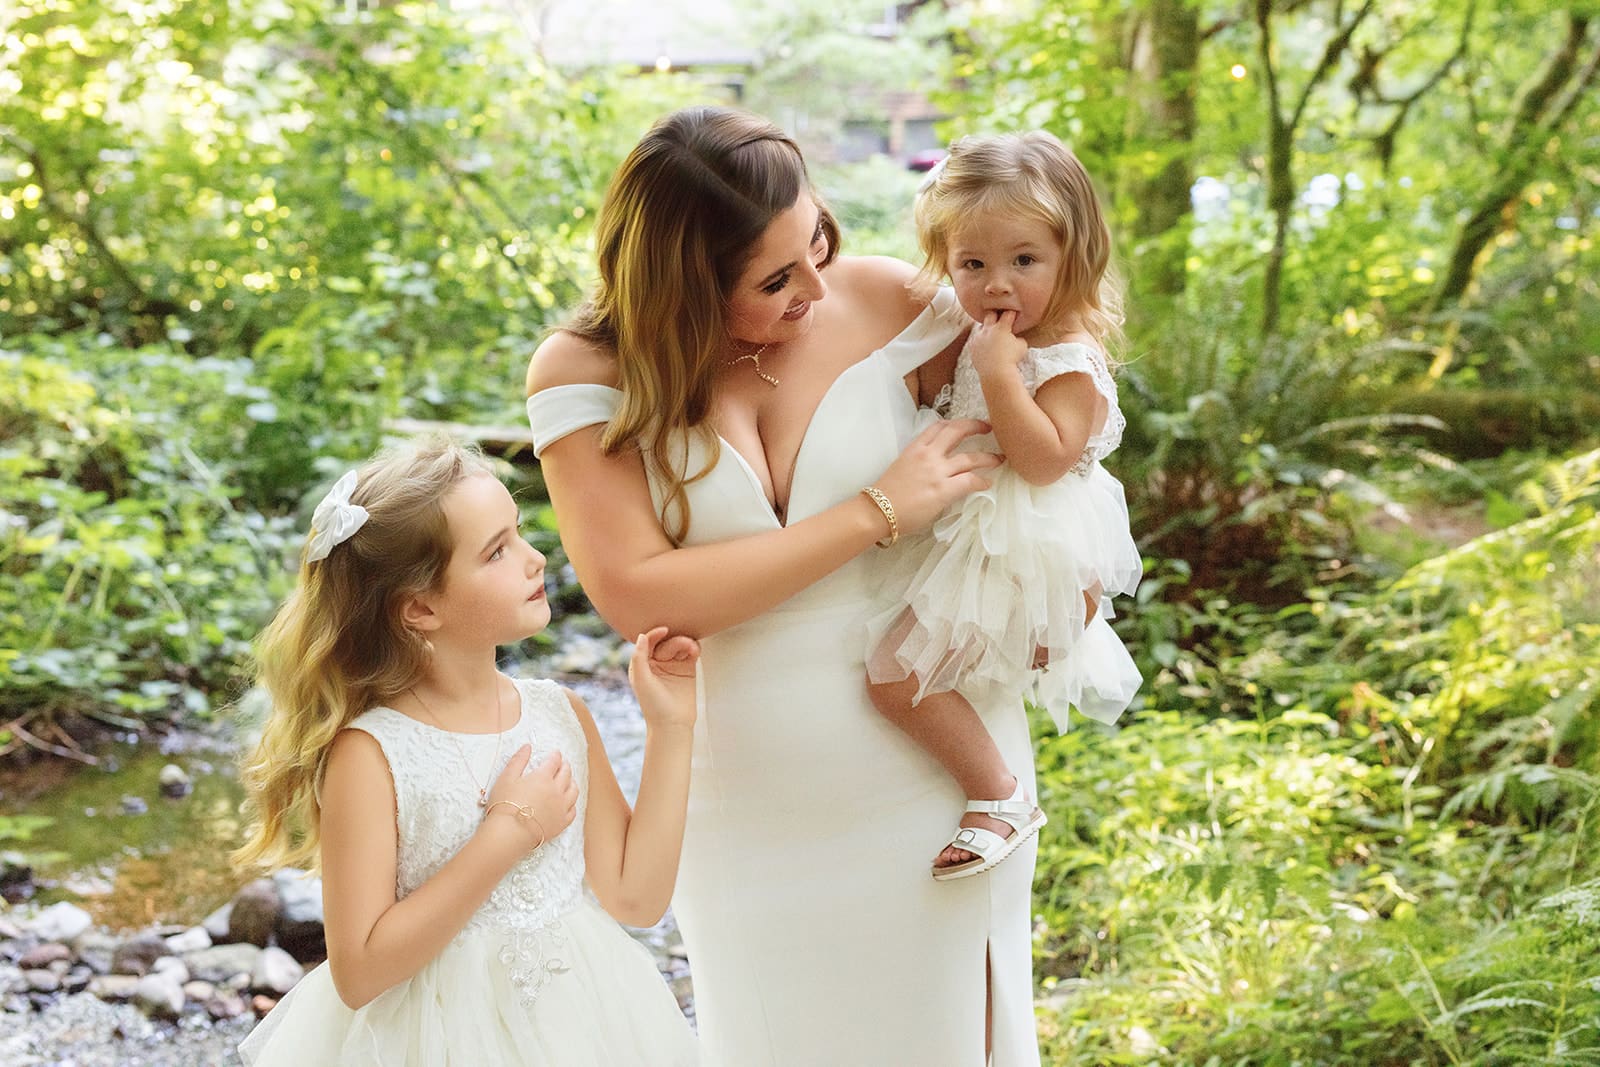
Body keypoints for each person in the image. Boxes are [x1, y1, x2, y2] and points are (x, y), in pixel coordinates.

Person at [525, 106, 1037, 1067]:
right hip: (751, 796)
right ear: (681, 290)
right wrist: (876, 509)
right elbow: (638, 594)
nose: (814, 283)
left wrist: (1060, 584)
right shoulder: (588, 372)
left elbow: (1055, 398)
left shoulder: (887, 300)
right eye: (773, 278)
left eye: (816, 242)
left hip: (937, 768)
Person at [232, 437, 700, 1067]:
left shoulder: (560, 714)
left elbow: (638, 900)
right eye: (496, 552)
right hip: (439, 1039)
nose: (536, 560)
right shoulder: (372, 754)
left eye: (520, 533)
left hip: (583, 1024)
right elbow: (360, 971)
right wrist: (507, 833)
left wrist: (670, 728)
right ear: (421, 608)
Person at [863, 131, 1144, 883]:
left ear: (1072, 255)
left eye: (1024, 261)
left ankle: (1000, 796)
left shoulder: (1068, 358)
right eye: (972, 264)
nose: (997, 285)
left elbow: (1044, 458)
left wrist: (998, 376)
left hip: (1027, 552)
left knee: (893, 675)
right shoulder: (985, 331)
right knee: (910, 667)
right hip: (978, 537)